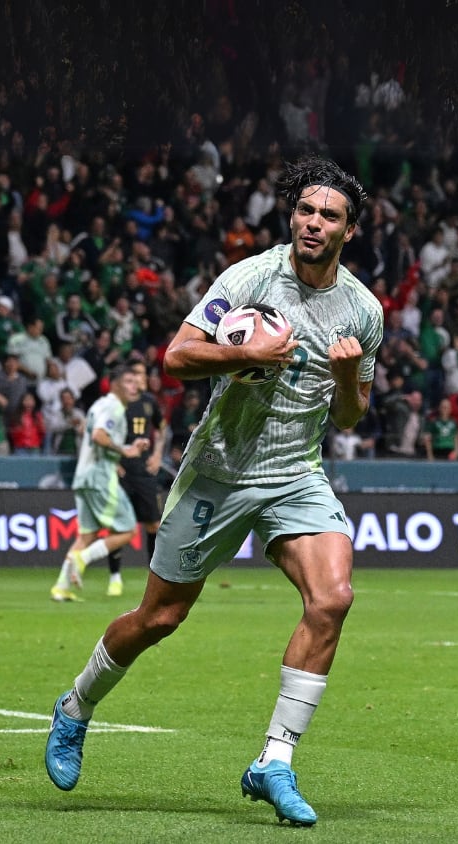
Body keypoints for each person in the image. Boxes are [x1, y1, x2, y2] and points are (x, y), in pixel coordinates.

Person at [44, 156, 383, 828]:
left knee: (333, 597)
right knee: (159, 619)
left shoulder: (363, 310)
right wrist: (248, 355)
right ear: (293, 214)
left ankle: (274, 763)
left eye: (330, 216)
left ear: (350, 230)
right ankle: (75, 706)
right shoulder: (250, 277)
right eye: (307, 211)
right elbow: (176, 356)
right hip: (218, 474)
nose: (315, 223)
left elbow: (350, 415)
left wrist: (346, 378)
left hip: (294, 475)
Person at [49, 364, 151, 601]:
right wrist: (124, 453)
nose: (134, 386)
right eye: (128, 381)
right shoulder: (114, 407)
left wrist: (123, 449)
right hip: (99, 478)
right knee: (126, 529)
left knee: (86, 536)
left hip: (83, 476)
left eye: (136, 381)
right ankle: (82, 559)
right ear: (114, 385)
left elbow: (89, 431)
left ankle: (61, 587)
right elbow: (99, 435)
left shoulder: (99, 404)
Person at [113, 358, 168, 597]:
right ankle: (114, 577)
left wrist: (157, 454)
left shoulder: (149, 402)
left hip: (144, 470)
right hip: (121, 470)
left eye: (142, 375)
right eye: (134, 374)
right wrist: (112, 461)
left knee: (153, 525)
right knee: (118, 526)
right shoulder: (114, 404)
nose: (138, 379)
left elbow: (162, 428)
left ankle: (152, 577)